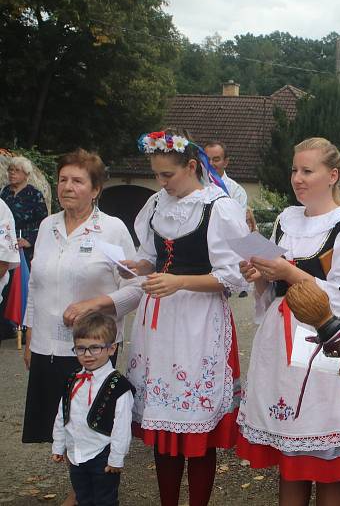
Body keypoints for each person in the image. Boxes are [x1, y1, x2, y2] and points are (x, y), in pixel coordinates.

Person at [98, 130, 248, 506]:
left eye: (167, 175)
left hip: (199, 321)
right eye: (157, 175)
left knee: (197, 430)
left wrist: (180, 280)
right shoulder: (156, 204)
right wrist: (138, 265)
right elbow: (150, 255)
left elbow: (235, 276)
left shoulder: (219, 207)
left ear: (192, 167)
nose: (161, 183)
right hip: (159, 321)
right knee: (162, 424)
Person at [236, 137, 340, 506]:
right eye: (294, 170)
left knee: (328, 450)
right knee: (292, 452)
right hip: (283, 339)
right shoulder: (286, 218)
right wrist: (261, 273)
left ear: (333, 175)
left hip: (327, 338)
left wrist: (289, 270)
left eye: (307, 171)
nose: (297, 178)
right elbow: (272, 290)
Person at [21, 149, 136, 506]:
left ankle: (81, 495)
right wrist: (27, 333)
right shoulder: (47, 225)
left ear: (96, 188)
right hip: (46, 345)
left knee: (92, 423)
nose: (67, 187)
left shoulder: (112, 229)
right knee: (64, 424)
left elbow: (135, 289)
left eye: (77, 181)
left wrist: (95, 304)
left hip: (91, 349)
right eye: (63, 179)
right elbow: (35, 285)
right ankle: (80, 488)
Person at [52, 314, 134, 506]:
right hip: (76, 453)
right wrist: (58, 445)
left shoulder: (119, 385)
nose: (87, 354)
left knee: (105, 500)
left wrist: (116, 458)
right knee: (83, 498)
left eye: (95, 348)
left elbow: (122, 425)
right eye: (81, 348)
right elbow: (63, 414)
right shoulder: (72, 379)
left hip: (102, 454)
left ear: (111, 348)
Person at [1, 156, 48, 262]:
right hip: (4, 243)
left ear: (26, 174)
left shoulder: (35, 195)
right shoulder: (4, 192)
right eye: (10, 169)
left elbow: (44, 222)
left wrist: (29, 240)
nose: (12, 173)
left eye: (17, 170)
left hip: (23, 247)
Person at [205, 141, 256, 232]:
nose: (211, 163)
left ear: (225, 162)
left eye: (216, 160)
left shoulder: (237, 191)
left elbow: (238, 226)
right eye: (207, 159)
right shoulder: (196, 186)